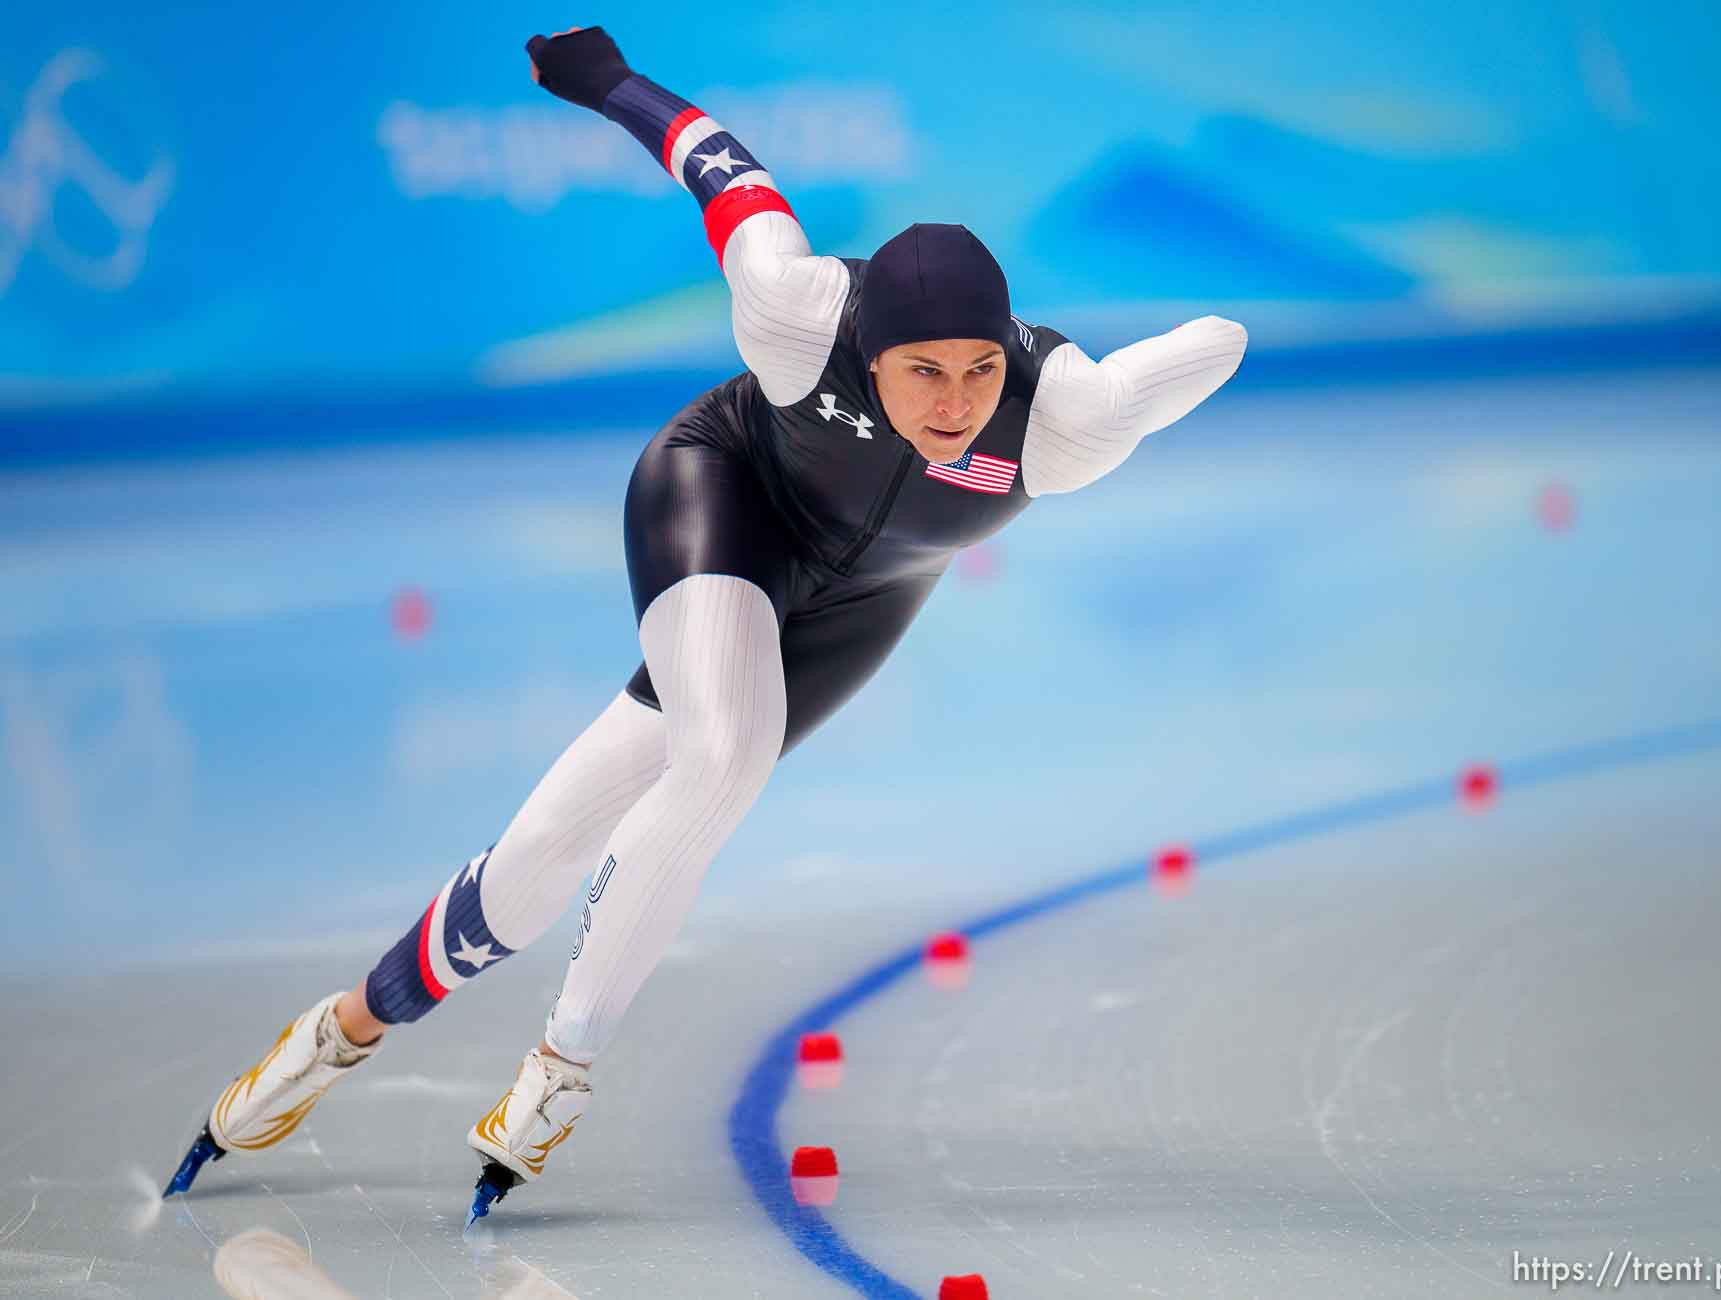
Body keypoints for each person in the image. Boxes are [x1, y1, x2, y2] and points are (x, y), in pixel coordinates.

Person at [165, 25, 1247, 1218]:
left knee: (538, 861)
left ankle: (340, 1028)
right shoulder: (793, 311)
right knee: (722, 753)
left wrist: (1150, 377)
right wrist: (608, 82)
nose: (953, 406)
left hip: (869, 595)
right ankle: (563, 1072)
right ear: (865, 352)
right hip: (721, 496)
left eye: (978, 372)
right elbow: (717, 164)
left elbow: (1219, 344)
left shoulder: (1066, 421)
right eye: (921, 372)